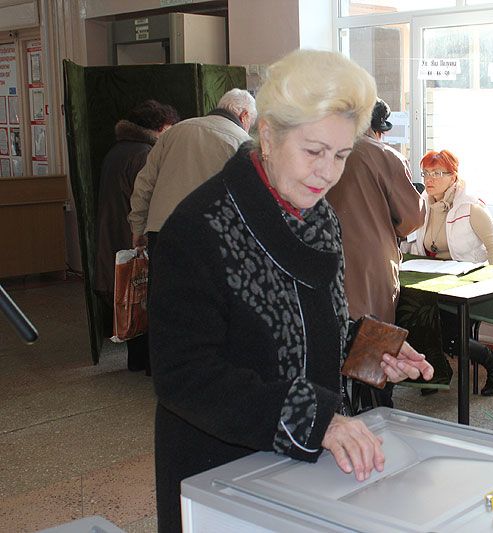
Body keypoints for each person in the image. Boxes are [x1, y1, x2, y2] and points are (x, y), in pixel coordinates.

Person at [148, 49, 434, 533]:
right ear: (267, 135)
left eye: (341, 155)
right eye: (314, 151)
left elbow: (310, 324)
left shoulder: (320, 217)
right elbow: (185, 376)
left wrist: (370, 347)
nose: (328, 172)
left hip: (301, 462)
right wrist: (316, 419)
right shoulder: (199, 227)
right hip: (220, 466)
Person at [327, 98, 425, 409]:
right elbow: (411, 218)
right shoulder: (384, 155)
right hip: (371, 264)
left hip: (325, 261)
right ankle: (374, 412)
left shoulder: (323, 149)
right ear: (376, 128)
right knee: (375, 348)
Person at [408, 149, 493, 396]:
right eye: (426, 173)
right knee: (412, 317)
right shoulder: (423, 204)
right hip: (433, 282)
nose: (429, 179)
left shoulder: (471, 207)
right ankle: (436, 371)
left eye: (437, 173)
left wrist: (487, 282)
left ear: (453, 177)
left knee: (449, 336)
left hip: (466, 284)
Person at [93, 99, 179, 372]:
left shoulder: (118, 150)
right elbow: (147, 200)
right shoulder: (145, 154)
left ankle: (137, 361)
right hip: (134, 235)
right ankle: (149, 364)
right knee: (145, 298)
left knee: (131, 297)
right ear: (159, 127)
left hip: (115, 235)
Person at [128, 88, 256, 262]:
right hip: (212, 236)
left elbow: (144, 184)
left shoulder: (173, 132)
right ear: (245, 116)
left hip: (162, 231)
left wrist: (138, 229)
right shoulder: (243, 143)